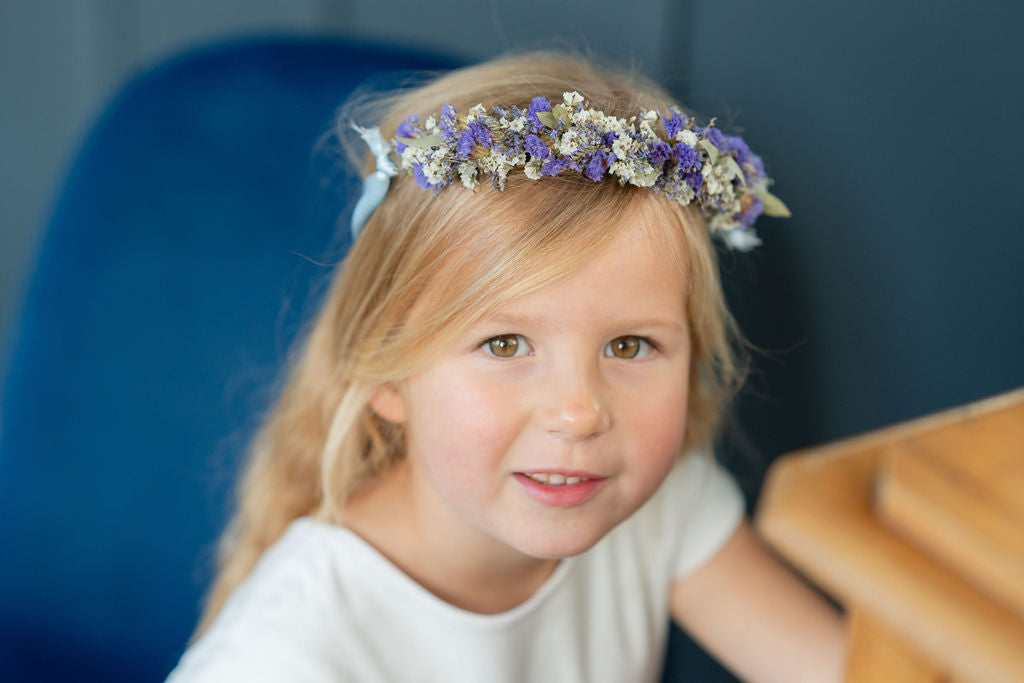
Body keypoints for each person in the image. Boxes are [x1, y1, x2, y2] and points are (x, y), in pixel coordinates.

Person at [167, 52, 846, 682]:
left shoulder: (655, 502)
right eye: (505, 345)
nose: (578, 413)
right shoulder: (281, 655)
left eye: (629, 346)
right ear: (385, 371)